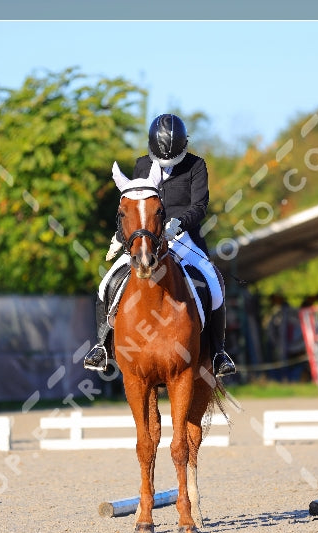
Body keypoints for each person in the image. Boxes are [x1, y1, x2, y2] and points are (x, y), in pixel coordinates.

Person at [83, 113, 236, 377]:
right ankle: (101, 346)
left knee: (213, 281)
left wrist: (178, 223)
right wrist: (121, 236)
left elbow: (200, 206)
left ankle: (218, 351)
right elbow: (133, 204)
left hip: (183, 237)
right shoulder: (142, 164)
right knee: (106, 282)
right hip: (147, 239)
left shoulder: (196, 166)